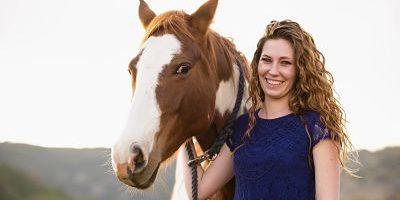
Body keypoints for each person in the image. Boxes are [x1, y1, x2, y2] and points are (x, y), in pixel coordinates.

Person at [181, 19, 356, 200]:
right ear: (258, 64)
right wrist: (182, 130)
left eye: (285, 63)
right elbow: (200, 190)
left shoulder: (317, 127)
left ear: (300, 70)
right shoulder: (243, 126)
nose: (273, 71)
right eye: (267, 60)